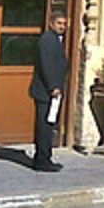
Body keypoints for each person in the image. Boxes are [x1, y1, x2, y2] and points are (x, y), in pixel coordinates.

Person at [29, 11, 68, 172]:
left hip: (52, 92)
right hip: (46, 92)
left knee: (49, 125)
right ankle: (42, 160)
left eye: (64, 24)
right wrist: (53, 86)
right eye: (59, 23)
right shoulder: (47, 40)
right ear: (51, 23)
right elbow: (46, 65)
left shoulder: (56, 40)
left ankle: (46, 157)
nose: (62, 27)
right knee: (44, 126)